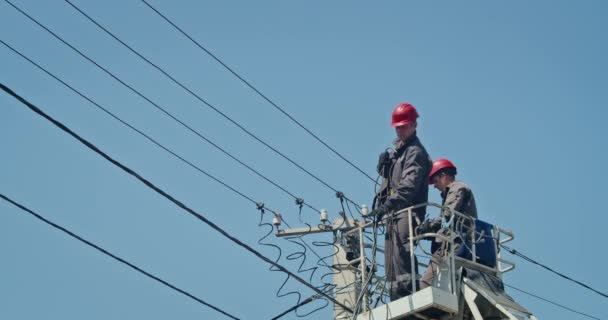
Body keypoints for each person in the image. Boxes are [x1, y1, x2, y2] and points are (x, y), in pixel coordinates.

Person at [370, 102, 432, 300]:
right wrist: (384, 168)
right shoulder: (400, 151)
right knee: (390, 257)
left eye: (404, 126)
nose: (400, 131)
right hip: (394, 211)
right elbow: (393, 180)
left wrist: (388, 204)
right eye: (397, 127)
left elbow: (409, 186)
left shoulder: (416, 152)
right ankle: (396, 294)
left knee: (401, 252)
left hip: (408, 210)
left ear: (414, 125)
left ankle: (407, 293)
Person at [419, 158, 478, 289]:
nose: (434, 186)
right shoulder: (452, 192)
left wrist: (429, 226)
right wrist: (428, 232)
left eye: (435, 181)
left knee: (424, 284)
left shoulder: (458, 188)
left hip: (455, 242)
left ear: (444, 176)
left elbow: (447, 214)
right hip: (452, 241)